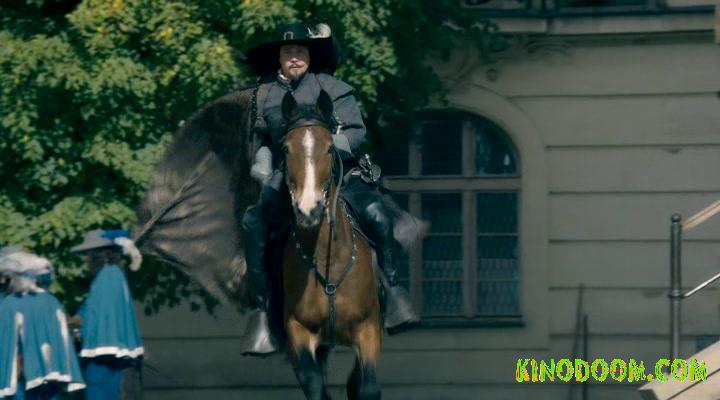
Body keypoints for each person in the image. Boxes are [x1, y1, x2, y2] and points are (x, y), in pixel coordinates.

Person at [239, 22, 419, 355]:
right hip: (287, 175)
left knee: (378, 215)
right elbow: (261, 139)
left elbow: (356, 133)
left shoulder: (334, 88)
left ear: (310, 56)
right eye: (288, 52)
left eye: (300, 51)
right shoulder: (263, 95)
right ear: (279, 58)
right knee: (253, 223)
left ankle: (394, 293)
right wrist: (262, 165)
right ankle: (263, 310)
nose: (294, 57)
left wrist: (321, 146)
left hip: (340, 171)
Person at [0, 247, 85, 399]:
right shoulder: (52, 301)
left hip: (22, 379)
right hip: (51, 374)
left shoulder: (10, 304)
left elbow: (7, 345)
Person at [70, 230, 144, 400]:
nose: (86, 259)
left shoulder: (109, 276)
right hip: (104, 351)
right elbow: (91, 308)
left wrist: (80, 330)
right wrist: (77, 320)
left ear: (99, 254)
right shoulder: (109, 275)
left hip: (102, 352)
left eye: (88, 254)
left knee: (99, 391)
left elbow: (103, 317)